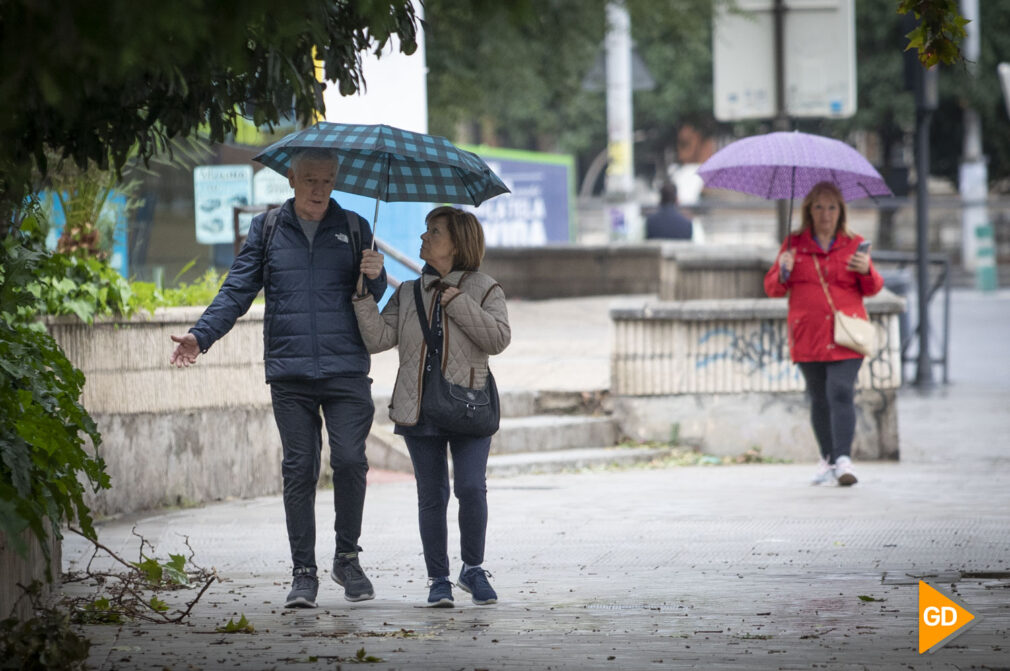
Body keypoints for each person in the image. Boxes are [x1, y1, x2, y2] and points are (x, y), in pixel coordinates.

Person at [169, 148, 387, 608]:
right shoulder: (268, 229)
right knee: (298, 469)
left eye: (327, 181)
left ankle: (347, 556)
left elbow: (370, 297)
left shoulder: (354, 228)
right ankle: (303, 572)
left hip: (346, 367)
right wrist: (200, 336)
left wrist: (377, 274)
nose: (318, 190)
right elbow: (238, 289)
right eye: (310, 179)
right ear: (291, 178)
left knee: (349, 461)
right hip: (290, 372)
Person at [352, 206, 510, 608]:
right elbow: (378, 338)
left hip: (470, 406)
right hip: (417, 406)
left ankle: (472, 569)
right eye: (425, 231)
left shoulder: (486, 288)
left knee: (471, 488)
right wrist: (362, 292)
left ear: (458, 243)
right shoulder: (407, 292)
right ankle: (438, 578)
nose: (424, 238)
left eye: (434, 232)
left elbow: (497, 339)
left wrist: (456, 301)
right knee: (431, 494)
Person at [763, 181, 884, 487]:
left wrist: (866, 269)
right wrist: (783, 269)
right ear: (808, 210)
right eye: (818, 206)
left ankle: (843, 461)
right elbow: (773, 289)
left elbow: (873, 288)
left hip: (846, 335)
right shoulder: (793, 245)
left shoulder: (853, 243)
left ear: (841, 211)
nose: (825, 213)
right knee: (818, 397)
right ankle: (828, 459)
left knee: (840, 390)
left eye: (831, 207)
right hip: (809, 335)